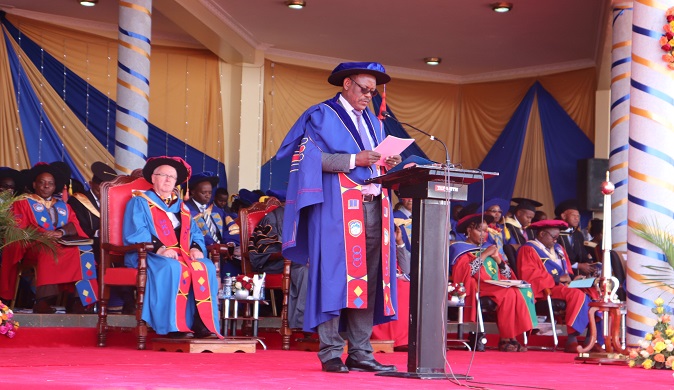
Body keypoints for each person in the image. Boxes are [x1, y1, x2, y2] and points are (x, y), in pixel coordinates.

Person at [277, 61, 400, 373]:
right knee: (332, 278)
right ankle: (331, 352)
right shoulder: (321, 115)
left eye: (373, 92)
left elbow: (374, 164)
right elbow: (306, 157)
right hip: (335, 209)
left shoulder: (375, 123)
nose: (368, 96)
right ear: (346, 84)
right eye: (363, 89)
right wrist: (352, 159)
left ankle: (360, 351)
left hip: (374, 208)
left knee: (369, 280)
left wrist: (388, 161)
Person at [122, 156, 222, 339]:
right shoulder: (140, 202)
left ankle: (202, 324)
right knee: (174, 267)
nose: (168, 180)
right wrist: (160, 249)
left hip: (181, 254)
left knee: (205, 266)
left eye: (172, 177)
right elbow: (136, 231)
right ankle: (174, 325)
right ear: (153, 178)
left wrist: (195, 247)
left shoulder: (182, 207)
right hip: (149, 254)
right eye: (163, 175)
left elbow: (195, 233)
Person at [0, 163, 98, 313]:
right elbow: (18, 229)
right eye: (42, 182)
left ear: (55, 186)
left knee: (84, 250)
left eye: (50, 183)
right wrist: (42, 234)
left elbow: (75, 224)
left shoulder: (62, 205)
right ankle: (43, 301)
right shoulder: (23, 203)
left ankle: (80, 301)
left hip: (60, 242)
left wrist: (61, 232)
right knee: (49, 248)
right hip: (34, 245)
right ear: (34, 184)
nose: (46, 186)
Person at [450, 214, 537, 352]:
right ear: (468, 230)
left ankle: (513, 337)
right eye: (480, 230)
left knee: (518, 290)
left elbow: (508, 274)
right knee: (508, 294)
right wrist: (484, 255)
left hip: (495, 284)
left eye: (485, 231)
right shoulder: (459, 248)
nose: (483, 235)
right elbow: (466, 273)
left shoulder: (489, 247)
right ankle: (505, 339)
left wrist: (498, 260)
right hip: (476, 286)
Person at [516, 219, 602, 353]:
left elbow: (567, 271)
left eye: (558, 237)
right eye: (554, 237)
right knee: (577, 295)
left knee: (595, 293)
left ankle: (591, 339)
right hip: (546, 290)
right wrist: (557, 278)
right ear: (542, 234)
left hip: (564, 286)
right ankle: (571, 340)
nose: (556, 240)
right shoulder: (529, 249)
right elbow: (530, 276)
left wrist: (574, 278)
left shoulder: (559, 249)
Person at [554, 199, 595, 277]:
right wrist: (579, 265)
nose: (577, 219)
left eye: (578, 216)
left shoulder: (578, 234)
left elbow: (583, 254)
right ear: (563, 216)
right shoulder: (556, 234)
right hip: (563, 275)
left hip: (579, 275)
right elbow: (556, 258)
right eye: (574, 216)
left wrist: (591, 265)